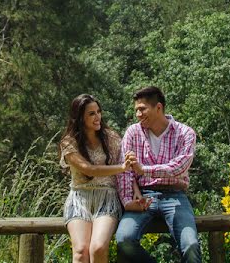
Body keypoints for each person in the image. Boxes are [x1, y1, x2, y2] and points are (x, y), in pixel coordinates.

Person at [115, 86, 201, 263]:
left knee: (191, 245)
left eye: (142, 109)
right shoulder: (132, 132)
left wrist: (143, 169)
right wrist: (128, 201)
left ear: (158, 107)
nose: (138, 114)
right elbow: (124, 171)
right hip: (144, 197)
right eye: (136, 110)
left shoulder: (185, 133)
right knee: (124, 239)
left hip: (175, 195)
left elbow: (179, 168)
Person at [60, 94, 138, 263]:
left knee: (98, 247)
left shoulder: (111, 138)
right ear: (79, 117)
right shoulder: (69, 142)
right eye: (91, 114)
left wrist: (136, 191)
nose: (98, 117)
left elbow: (128, 171)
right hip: (79, 199)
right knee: (81, 251)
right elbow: (89, 169)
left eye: (98, 112)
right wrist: (121, 167)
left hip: (107, 198)